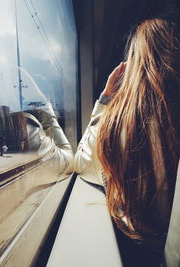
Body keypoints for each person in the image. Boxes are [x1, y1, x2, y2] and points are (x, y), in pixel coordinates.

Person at [74, 16, 180, 266]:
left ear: (131, 65)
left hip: (137, 254)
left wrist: (105, 99)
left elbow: (82, 164)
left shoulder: (114, 122)